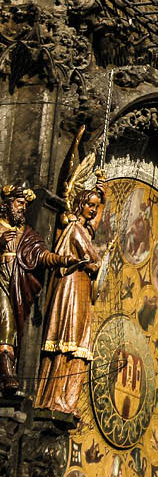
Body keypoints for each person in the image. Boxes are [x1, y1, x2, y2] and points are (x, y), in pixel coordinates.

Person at [0, 182, 79, 391]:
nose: (22, 208)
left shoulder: (27, 234)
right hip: (0, 283)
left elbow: (42, 256)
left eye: (25, 205)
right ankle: (7, 373)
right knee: (6, 324)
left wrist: (63, 260)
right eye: (19, 203)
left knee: (13, 329)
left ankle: (8, 370)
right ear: (7, 204)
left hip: (15, 286)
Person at [34, 176, 103, 414]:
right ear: (79, 203)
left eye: (95, 206)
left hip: (82, 289)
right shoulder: (73, 228)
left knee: (80, 346)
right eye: (89, 204)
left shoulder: (84, 230)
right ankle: (53, 397)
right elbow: (65, 257)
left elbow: (94, 231)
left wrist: (101, 194)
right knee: (66, 340)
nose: (93, 210)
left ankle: (68, 400)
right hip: (71, 286)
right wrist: (90, 264)